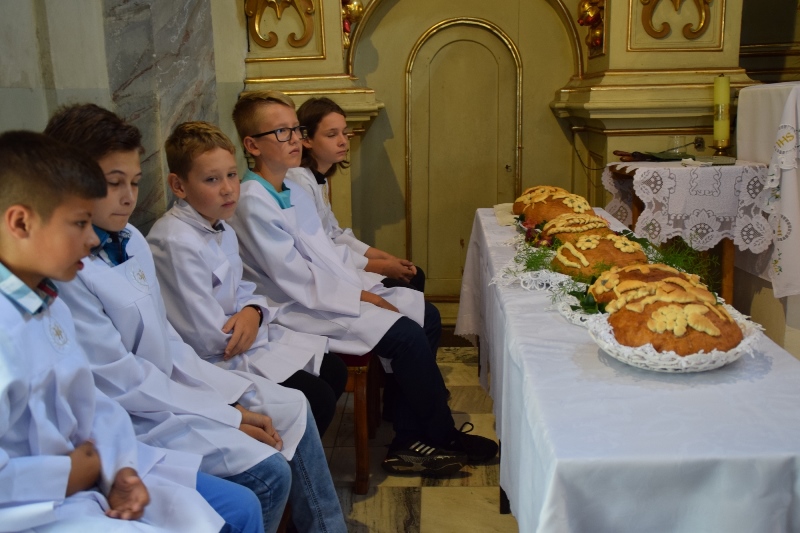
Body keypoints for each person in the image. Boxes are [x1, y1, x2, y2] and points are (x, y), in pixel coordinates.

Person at [44, 103, 347, 533]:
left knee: (295, 403)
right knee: (267, 473)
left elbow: (167, 338)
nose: (129, 197)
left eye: (134, 182)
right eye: (113, 183)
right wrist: (226, 412)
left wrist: (227, 393)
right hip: (140, 413)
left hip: (177, 383)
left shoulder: (131, 239)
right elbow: (123, 379)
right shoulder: (72, 271)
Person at [229, 90, 498, 476]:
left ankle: (410, 435)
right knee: (406, 334)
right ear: (252, 145)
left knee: (426, 316)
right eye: (281, 132)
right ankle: (440, 435)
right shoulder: (253, 201)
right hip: (295, 308)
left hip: (327, 293)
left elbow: (328, 251)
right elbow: (296, 280)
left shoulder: (291, 189)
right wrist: (363, 296)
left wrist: (367, 286)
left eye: (295, 129)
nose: (294, 140)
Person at [0, 130, 230, 532]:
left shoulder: (48, 303)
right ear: (20, 222)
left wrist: (119, 467)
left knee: (205, 517)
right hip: (26, 510)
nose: (92, 240)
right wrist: (70, 474)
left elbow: (92, 404)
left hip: (86, 484)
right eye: (79, 223)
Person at [147, 121, 347, 437]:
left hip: (246, 338)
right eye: (212, 179)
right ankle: (286, 459)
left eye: (231, 175)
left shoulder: (220, 225)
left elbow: (243, 288)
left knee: (333, 370)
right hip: (211, 362)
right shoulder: (175, 242)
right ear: (179, 185)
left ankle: (299, 450)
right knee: (316, 398)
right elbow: (206, 338)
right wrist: (252, 321)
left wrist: (254, 312)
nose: (228, 188)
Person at [287, 97, 424, 292]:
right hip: (321, 274)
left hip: (338, 262)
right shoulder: (298, 181)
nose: (343, 141)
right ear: (307, 139)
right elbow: (318, 248)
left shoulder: (317, 178)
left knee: (415, 275)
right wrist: (380, 266)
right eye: (332, 135)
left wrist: (387, 258)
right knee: (408, 282)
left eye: (344, 133)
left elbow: (335, 234)